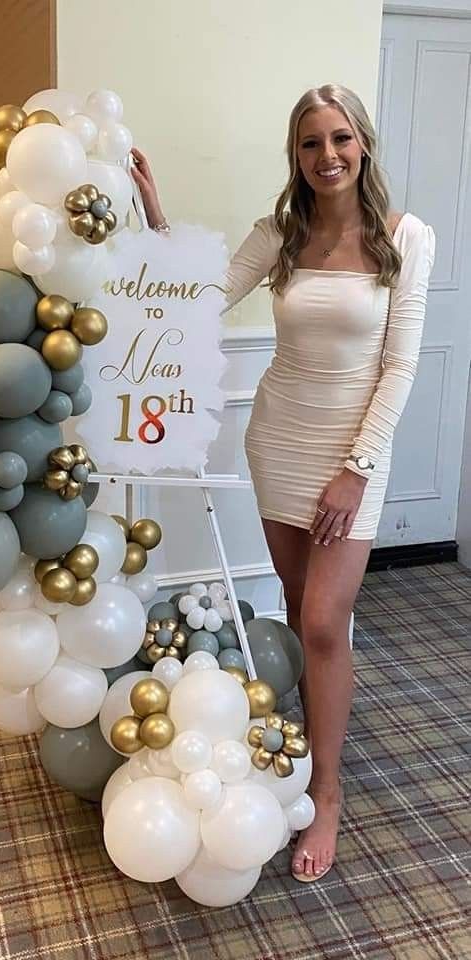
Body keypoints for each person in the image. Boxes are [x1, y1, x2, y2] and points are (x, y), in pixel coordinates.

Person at [130, 83, 436, 883]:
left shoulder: (407, 237)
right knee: (303, 616)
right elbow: (201, 303)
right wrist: (159, 224)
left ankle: (326, 793)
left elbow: (399, 366)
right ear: (295, 156)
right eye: (309, 143)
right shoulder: (283, 232)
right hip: (279, 441)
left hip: (350, 456)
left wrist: (356, 470)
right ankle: (306, 735)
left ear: (362, 144)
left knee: (327, 622)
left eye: (340, 138)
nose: (326, 155)